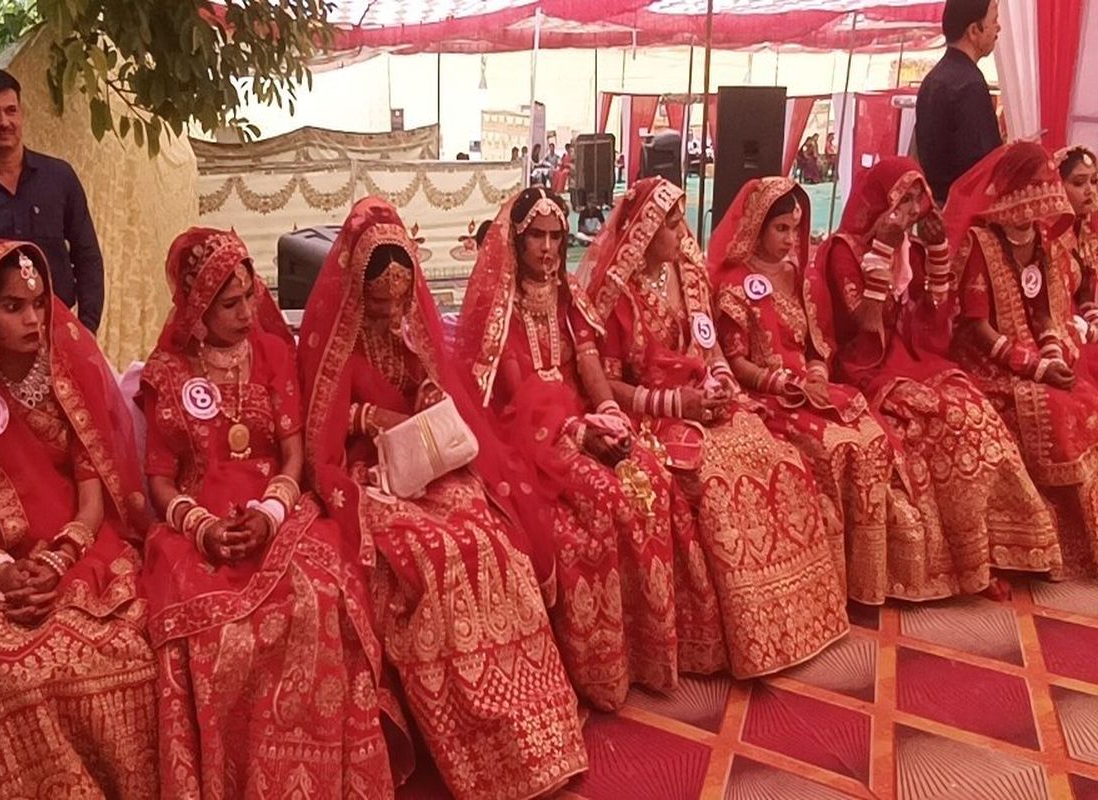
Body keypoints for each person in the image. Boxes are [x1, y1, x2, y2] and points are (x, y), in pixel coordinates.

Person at [298, 197, 588, 800]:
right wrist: (367, 417)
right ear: (358, 295)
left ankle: (534, 728)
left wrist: (429, 392)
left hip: (425, 463)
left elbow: (431, 386)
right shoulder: (338, 342)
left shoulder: (407, 331)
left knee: (492, 541)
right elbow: (319, 431)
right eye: (380, 306)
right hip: (370, 477)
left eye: (400, 304)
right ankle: (477, 746)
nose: (391, 316)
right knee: (434, 559)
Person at [136, 227, 403, 797]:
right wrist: (201, 527)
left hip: (277, 509)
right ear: (196, 310)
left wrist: (271, 512)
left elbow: (293, 454)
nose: (246, 313)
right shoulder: (167, 372)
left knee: (320, 596)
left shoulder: (274, 355)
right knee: (213, 627)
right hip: (196, 524)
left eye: (249, 297)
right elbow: (159, 478)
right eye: (229, 305)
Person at [0, 240, 157, 796]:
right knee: (8, 669)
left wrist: (57, 562)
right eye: (13, 306)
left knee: (122, 649)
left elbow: (92, 503)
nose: (33, 319)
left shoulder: (71, 386)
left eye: (39, 303)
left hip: (82, 554)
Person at [456, 187, 725, 710]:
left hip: (581, 416)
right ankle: (602, 670)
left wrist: (610, 414)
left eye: (556, 237)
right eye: (537, 237)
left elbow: (588, 362)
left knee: (651, 479)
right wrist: (579, 432)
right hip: (529, 436)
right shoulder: (502, 307)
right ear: (517, 240)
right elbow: (516, 395)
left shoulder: (567, 297)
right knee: (606, 502)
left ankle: (654, 652)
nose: (548, 248)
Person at [579, 176, 849, 679]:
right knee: (722, 483)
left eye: (681, 221)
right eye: (672, 224)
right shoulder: (620, 295)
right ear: (644, 232)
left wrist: (722, 381)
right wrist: (676, 403)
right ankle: (749, 637)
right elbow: (608, 383)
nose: (682, 233)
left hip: (707, 400)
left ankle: (795, 618)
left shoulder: (689, 275)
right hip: (655, 414)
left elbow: (712, 346)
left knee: (778, 459)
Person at [709, 177, 961, 603]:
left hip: (809, 388)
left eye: (795, 229)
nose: (791, 239)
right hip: (768, 395)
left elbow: (815, 344)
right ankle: (841, 582)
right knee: (840, 446)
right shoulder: (734, 284)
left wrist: (817, 375)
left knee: (874, 436)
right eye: (781, 229)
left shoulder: (797, 276)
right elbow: (735, 361)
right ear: (756, 226)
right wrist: (785, 383)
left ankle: (875, 579)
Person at [817, 156, 1060, 593]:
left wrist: (938, 255)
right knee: (943, 420)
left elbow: (935, 331)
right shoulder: (844, 251)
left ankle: (1004, 548)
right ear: (880, 201)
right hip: (869, 368)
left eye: (919, 199)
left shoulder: (912, 251)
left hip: (919, 360)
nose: (913, 210)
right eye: (903, 201)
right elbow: (864, 327)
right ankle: (966, 562)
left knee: (978, 414)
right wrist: (882, 251)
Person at [947, 141, 1098, 576]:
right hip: (988, 361)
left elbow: (1045, 311)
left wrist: (1051, 352)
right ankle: (1051, 539)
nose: (1042, 200)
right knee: (1056, 408)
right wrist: (1034, 367)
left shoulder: (1041, 240)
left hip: (1034, 354)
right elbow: (977, 327)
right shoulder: (980, 241)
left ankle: (1082, 539)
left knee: (1086, 400)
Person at [0, 66, 104, 337]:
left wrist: (87, 329)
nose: (4, 121)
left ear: (22, 113)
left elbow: (87, 257)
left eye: (11, 110)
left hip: (61, 331)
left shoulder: (59, 177)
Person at [915, 0, 1003, 205]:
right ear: (974, 31)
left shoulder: (933, 79)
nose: (998, 28)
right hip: (962, 209)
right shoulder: (970, 84)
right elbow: (982, 165)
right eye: (994, 20)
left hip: (934, 206)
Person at [1054, 146, 1098, 338]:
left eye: (1094, 181)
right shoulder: (1049, 236)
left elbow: (1084, 289)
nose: (1090, 191)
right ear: (1058, 185)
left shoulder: (1084, 229)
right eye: (1079, 183)